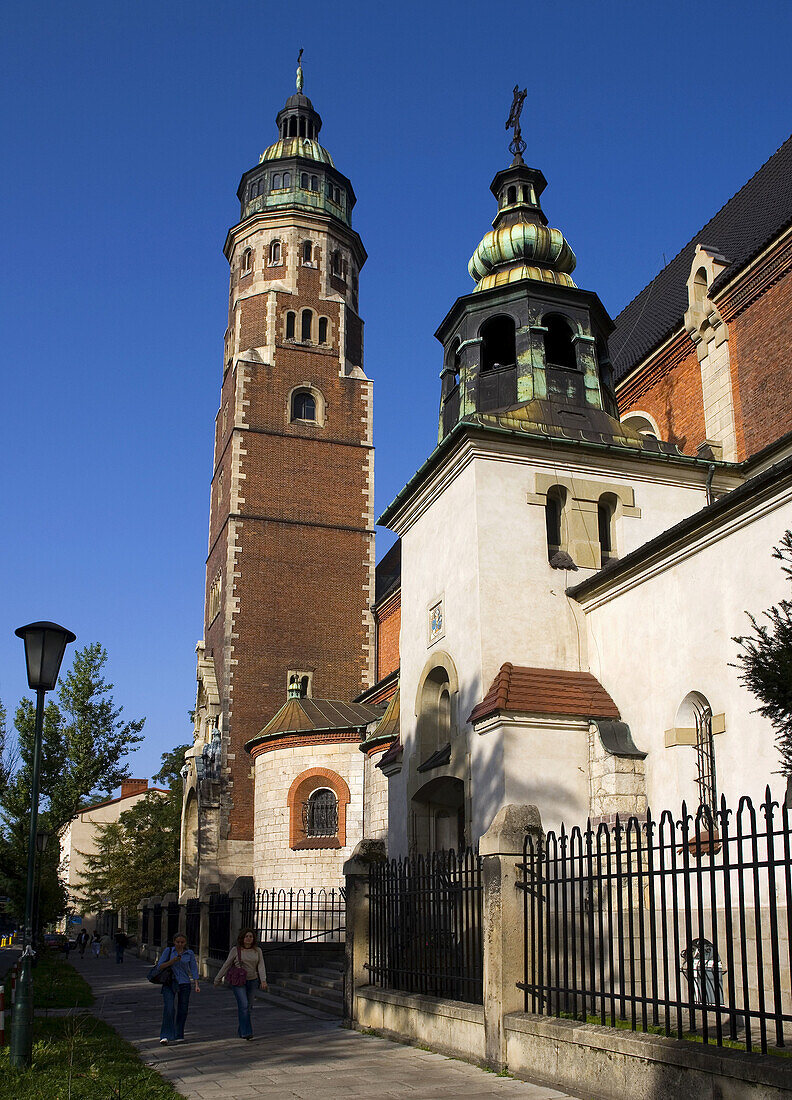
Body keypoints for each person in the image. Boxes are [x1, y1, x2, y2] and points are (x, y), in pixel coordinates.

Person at [214, 928, 267, 1040]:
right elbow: (227, 964)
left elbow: (261, 965)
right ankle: (247, 1032)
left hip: (252, 980)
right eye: (246, 936)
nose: (248, 938)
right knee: (243, 1005)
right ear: (242, 938)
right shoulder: (235, 950)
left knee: (249, 1006)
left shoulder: (257, 950)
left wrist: (263, 980)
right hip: (239, 981)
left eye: (251, 936)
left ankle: (242, 1028)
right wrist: (218, 978)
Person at [154, 933, 200, 1044]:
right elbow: (160, 966)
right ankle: (165, 1035)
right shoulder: (169, 951)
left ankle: (179, 1033)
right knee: (169, 1008)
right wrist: (172, 961)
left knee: (183, 1009)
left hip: (184, 983)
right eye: (178, 942)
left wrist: (196, 984)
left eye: (182, 942)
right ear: (174, 942)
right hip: (170, 982)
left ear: (185, 943)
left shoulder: (189, 953)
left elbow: (193, 968)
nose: (180, 944)